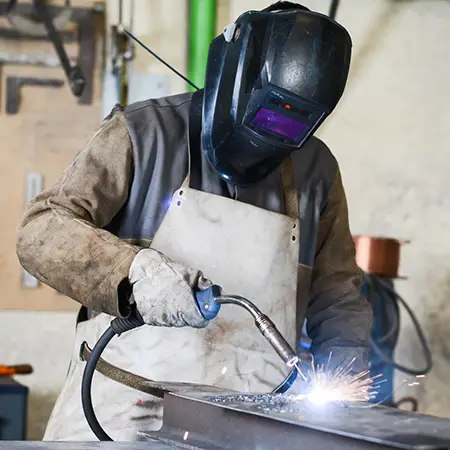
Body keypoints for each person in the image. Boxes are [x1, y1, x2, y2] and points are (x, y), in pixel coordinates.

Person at [16, 1, 372, 441]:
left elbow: (337, 298)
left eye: (292, 128)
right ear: (236, 80)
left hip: (249, 424)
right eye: (268, 113)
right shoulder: (142, 134)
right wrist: (133, 274)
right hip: (121, 410)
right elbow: (40, 230)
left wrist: (343, 389)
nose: (274, 136)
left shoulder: (317, 171)